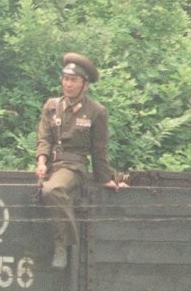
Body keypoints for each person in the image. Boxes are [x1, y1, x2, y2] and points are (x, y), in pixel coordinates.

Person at [35, 52, 127, 269]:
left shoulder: (96, 112)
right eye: (66, 79)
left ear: (85, 85)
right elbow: (44, 138)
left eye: (74, 80)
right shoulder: (51, 106)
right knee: (45, 189)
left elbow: (99, 149)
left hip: (74, 167)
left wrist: (105, 179)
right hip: (51, 166)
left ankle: (65, 243)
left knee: (52, 190)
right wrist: (41, 161)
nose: (68, 84)